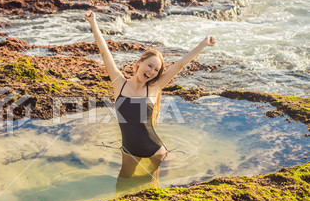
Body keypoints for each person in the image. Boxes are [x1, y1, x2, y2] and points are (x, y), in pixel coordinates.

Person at [84, 10, 217, 178]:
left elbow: (180, 65)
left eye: (156, 69)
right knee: (121, 189)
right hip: (128, 152)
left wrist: (203, 44)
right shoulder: (119, 83)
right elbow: (104, 53)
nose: (152, 72)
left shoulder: (153, 89)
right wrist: (93, 22)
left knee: (152, 193)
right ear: (139, 63)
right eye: (150, 66)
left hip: (156, 154)